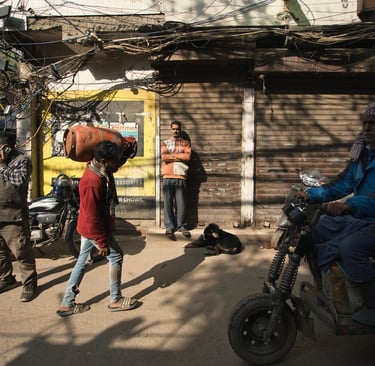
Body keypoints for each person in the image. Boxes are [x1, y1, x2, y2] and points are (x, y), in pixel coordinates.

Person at [296, 102, 375, 326]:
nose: (367, 128)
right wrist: (310, 195)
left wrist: (351, 205)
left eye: (373, 124)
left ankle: (372, 305)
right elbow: (342, 184)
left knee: (350, 247)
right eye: (365, 123)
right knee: (315, 229)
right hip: (362, 217)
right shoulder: (363, 155)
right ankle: (328, 290)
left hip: (368, 218)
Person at [56, 140, 139, 317]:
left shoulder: (97, 167)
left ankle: (67, 303)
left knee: (82, 261)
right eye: (113, 161)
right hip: (93, 227)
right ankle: (115, 300)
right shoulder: (93, 182)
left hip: (87, 226)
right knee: (116, 255)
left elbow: (115, 164)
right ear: (103, 160)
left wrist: (126, 150)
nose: (116, 164)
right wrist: (102, 242)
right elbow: (93, 216)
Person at [0, 129, 38, 302]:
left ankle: (29, 282)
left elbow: (19, 180)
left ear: (8, 147)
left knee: (21, 251)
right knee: (0, 253)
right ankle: (6, 278)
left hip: (13, 217)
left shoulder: (21, 161)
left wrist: (2, 166)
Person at [161, 121, 192, 241]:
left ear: (180, 129)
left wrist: (172, 156)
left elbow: (187, 157)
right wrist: (179, 156)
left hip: (180, 175)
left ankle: (182, 226)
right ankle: (169, 227)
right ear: (171, 129)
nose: (175, 131)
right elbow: (164, 156)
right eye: (173, 129)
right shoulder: (165, 142)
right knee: (168, 204)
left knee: (181, 203)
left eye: (177, 129)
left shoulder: (186, 143)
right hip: (168, 176)